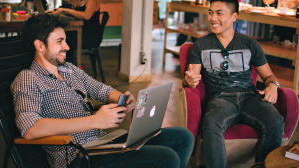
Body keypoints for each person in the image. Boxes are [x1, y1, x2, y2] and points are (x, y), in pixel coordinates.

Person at [11, 13, 194, 168]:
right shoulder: (28, 78)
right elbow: (31, 129)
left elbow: (100, 89)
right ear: (39, 45)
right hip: (77, 155)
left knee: (182, 137)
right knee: (167, 158)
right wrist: (95, 121)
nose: (66, 46)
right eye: (60, 41)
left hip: (101, 142)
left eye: (65, 40)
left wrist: (122, 98)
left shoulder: (69, 69)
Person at [183, 0, 284, 168]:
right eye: (210, 12)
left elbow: (269, 76)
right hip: (220, 98)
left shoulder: (250, 44)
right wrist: (188, 82)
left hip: (250, 97)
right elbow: (191, 80)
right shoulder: (201, 45)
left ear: (234, 16)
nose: (213, 18)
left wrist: (273, 86)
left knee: (275, 121)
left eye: (219, 13)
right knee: (212, 124)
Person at [48, 0, 101, 64]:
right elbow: (78, 14)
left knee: (63, 40)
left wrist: (67, 10)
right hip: (82, 32)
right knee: (60, 38)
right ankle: (63, 66)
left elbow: (86, 15)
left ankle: (67, 67)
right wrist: (60, 12)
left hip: (89, 36)